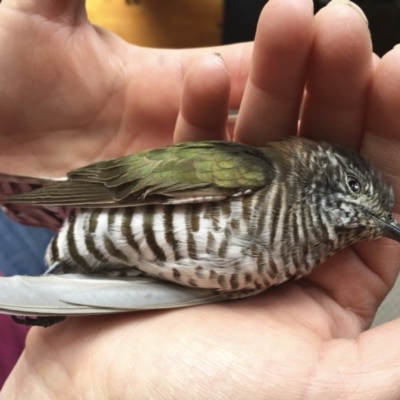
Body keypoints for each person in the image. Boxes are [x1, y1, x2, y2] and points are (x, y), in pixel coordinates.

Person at [1, 0, 400, 397]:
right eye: (353, 187)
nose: (365, 213)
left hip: (116, 272)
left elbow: (176, 286)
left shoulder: (291, 264)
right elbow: (121, 187)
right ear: (322, 166)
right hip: (100, 212)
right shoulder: (256, 173)